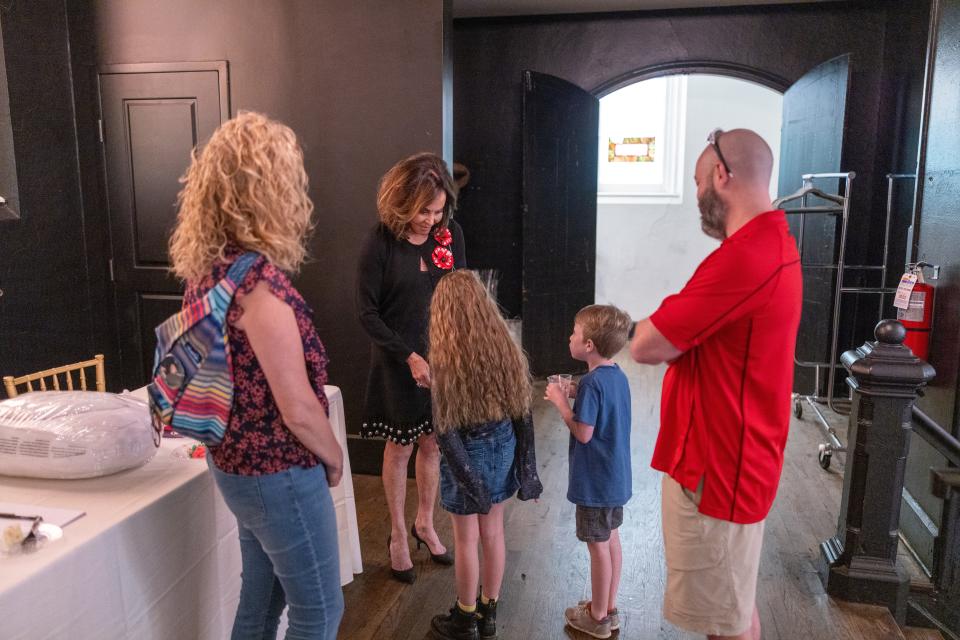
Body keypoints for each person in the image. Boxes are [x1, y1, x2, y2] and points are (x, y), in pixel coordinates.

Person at [169, 111, 344, 639]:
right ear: (273, 191)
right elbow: (296, 407)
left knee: (261, 603)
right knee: (318, 612)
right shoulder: (259, 289)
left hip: (236, 466)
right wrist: (334, 456)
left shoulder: (209, 272)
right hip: (278, 472)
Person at [629, 128, 802, 640]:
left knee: (726, 622)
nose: (696, 197)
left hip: (719, 470)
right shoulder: (771, 241)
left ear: (722, 176)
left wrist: (669, 333)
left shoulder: (745, 258)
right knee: (733, 607)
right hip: (725, 457)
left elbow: (645, 344)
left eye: (699, 182)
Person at [356, 152, 465, 583]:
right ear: (401, 202)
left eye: (439, 210)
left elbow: (458, 293)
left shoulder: (450, 233)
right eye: (424, 210)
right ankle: (398, 535)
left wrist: (454, 354)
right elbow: (367, 313)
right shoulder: (380, 242)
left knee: (433, 445)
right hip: (397, 359)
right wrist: (411, 357)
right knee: (400, 448)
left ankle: (425, 523)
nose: (432, 220)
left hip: (441, 359)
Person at [427, 270, 543, 640]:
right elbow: (522, 413)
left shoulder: (446, 360)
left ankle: (465, 617)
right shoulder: (504, 346)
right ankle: (489, 611)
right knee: (493, 534)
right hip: (502, 447)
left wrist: (469, 480)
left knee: (465, 541)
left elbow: (445, 432)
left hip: (468, 454)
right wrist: (526, 467)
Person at [545, 304, 633, 640]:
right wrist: (575, 390)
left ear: (589, 346)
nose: (570, 337)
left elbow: (584, 432)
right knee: (611, 539)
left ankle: (595, 618)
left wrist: (561, 403)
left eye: (574, 332)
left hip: (595, 482)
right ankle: (608, 607)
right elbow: (600, 396)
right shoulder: (615, 376)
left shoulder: (592, 385)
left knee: (597, 546)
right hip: (616, 478)